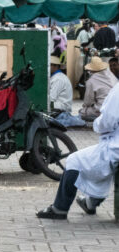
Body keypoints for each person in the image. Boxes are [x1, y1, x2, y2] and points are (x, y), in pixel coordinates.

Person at [37, 82, 119, 220]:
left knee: (75, 160)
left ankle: (59, 208)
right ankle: (90, 203)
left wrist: (97, 124)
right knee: (94, 162)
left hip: (115, 146)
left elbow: (108, 121)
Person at [79, 57, 118, 121]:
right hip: (116, 109)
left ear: (91, 69)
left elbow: (88, 102)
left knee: (82, 111)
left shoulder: (91, 81)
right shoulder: (112, 76)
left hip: (103, 109)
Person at [49, 56, 84, 127]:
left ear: (55, 66)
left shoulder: (58, 79)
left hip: (61, 108)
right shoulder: (57, 77)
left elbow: (51, 98)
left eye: (50, 65)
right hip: (60, 106)